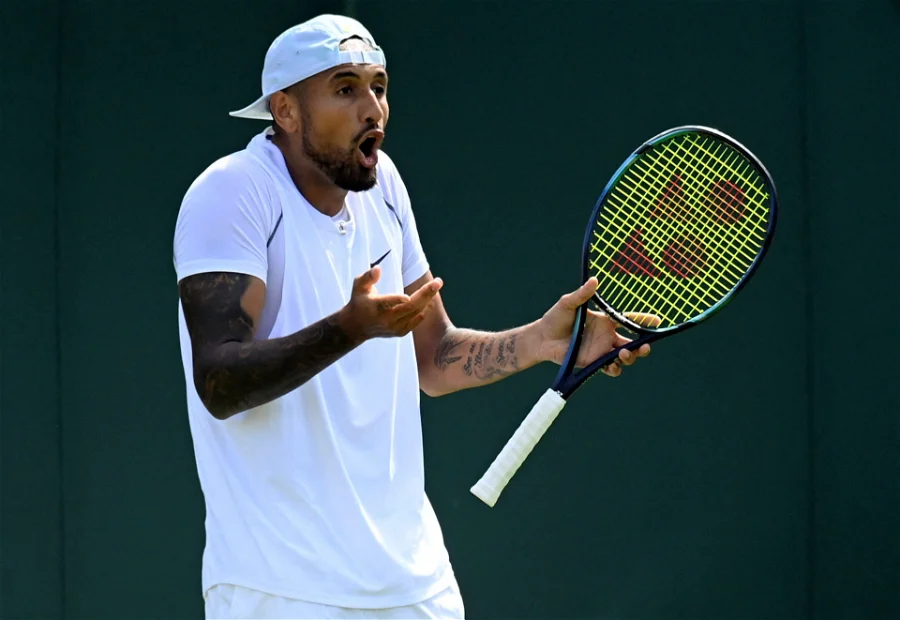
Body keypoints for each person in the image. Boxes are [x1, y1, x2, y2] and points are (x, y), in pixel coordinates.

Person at [173, 13, 654, 620]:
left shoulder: (386, 186)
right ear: (285, 111)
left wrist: (543, 342)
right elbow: (219, 382)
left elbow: (434, 358)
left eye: (379, 86)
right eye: (345, 89)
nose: (372, 109)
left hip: (415, 588)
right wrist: (351, 328)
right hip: (281, 589)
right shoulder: (233, 190)